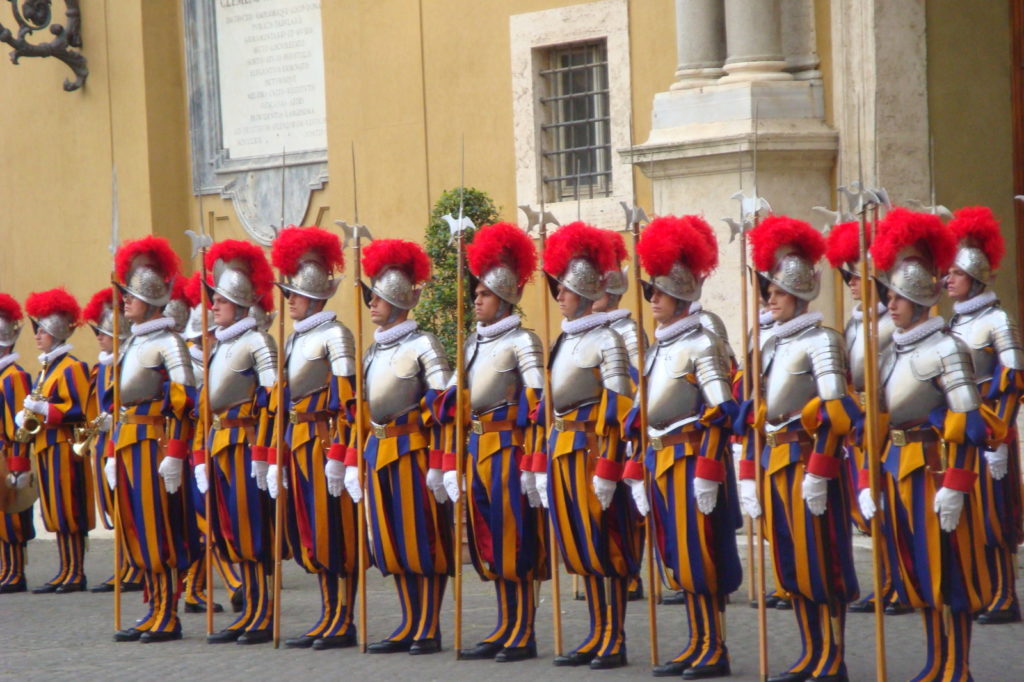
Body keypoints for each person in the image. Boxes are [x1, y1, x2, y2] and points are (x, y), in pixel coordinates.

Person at [866, 208, 998, 681]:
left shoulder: (947, 348)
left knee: (950, 573)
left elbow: (967, 421)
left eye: (898, 297)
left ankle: (956, 666)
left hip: (935, 468)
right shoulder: (888, 350)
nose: (891, 305)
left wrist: (958, 482)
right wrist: (868, 475)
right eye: (890, 296)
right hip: (896, 463)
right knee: (916, 571)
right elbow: (877, 418)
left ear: (919, 298)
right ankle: (933, 659)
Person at [742, 216, 860, 682]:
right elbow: (756, 408)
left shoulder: (823, 341)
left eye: (776, 290)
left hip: (810, 462)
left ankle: (833, 656)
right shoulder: (770, 341)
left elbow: (838, 411)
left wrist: (821, 467)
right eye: (768, 289)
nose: (768, 297)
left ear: (799, 293)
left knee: (823, 561)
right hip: (776, 459)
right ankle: (811, 651)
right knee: (791, 562)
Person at [630, 215, 741, 680]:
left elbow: (723, 410)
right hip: (660, 459)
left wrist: (710, 472)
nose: (651, 299)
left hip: (693, 461)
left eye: (657, 291)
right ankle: (696, 640)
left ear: (679, 293)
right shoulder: (657, 347)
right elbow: (644, 415)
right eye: (650, 291)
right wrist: (637, 467)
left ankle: (714, 646)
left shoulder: (701, 343)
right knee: (675, 555)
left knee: (701, 555)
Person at [437, 222, 547, 662]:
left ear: (502, 299)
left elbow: (539, 403)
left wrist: (534, 463)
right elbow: (451, 400)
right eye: (476, 293)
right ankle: (504, 623)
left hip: (510, 452)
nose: (476, 300)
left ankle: (524, 629)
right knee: (488, 540)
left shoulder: (524, 342)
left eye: (482, 294)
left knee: (515, 539)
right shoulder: (470, 345)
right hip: (476, 451)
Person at [535, 221, 638, 670]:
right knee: (579, 546)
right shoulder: (565, 338)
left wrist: (610, 467)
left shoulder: (609, 339)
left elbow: (618, 409)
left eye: (564, 289)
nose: (558, 295)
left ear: (581, 289)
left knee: (605, 543)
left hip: (593, 452)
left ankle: (614, 637)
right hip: (562, 449)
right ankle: (596, 631)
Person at [343, 238, 453, 655]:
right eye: (371, 297)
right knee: (390, 542)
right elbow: (362, 409)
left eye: (378, 297)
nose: (371, 303)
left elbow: (443, 407)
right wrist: (355, 457)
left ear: (398, 301)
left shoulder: (424, 345)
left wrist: (441, 462)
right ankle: (409, 621)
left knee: (422, 539)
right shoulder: (372, 350)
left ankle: (429, 625)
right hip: (378, 451)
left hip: (414, 452)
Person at [268, 225, 360, 650]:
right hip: (298, 439)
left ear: (316, 296)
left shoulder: (335, 335)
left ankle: (344, 617)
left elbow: (348, 401)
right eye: (286, 293)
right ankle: (327, 612)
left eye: (294, 293)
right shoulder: (292, 339)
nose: (288, 300)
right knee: (310, 531)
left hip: (325, 441)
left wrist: (342, 453)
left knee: (335, 531)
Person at [110, 236, 196, 642]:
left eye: (130, 296)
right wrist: (112, 451)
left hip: (154, 444)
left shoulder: (169, 343)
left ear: (151, 299)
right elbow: (117, 406)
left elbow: (183, 403)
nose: (124, 303)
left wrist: (176, 452)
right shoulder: (132, 342)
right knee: (136, 530)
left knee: (159, 528)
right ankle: (153, 605)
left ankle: (168, 612)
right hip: (128, 442)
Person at [194, 240, 278, 645]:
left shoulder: (258, 342)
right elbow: (204, 404)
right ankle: (250, 612)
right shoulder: (220, 344)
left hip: (246, 445)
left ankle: (263, 613)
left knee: (253, 532)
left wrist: (263, 452)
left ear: (241, 305)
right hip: (219, 445)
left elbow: (269, 401)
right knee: (230, 531)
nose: (213, 307)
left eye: (222, 302)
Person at [823, 221, 907, 616]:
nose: (851, 284)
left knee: (892, 506)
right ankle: (886, 580)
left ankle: (903, 582)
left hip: (888, 417)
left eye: (856, 276)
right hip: (861, 418)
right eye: (847, 276)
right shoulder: (857, 321)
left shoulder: (890, 325)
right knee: (871, 509)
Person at [945, 206, 1023, 625]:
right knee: (969, 516)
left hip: (993, 431)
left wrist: (1001, 439)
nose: (948, 280)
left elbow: (1013, 380)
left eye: (956, 273)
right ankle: (979, 590)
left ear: (974, 278)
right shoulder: (950, 324)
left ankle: (1005, 595)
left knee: (996, 518)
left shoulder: (997, 320)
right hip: (963, 430)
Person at [21, 288, 94, 594]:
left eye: (42, 330)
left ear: (56, 331)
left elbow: (79, 410)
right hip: (46, 447)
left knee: (69, 511)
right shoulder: (46, 368)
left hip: (64, 448)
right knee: (53, 511)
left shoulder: (72, 367)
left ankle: (76, 571)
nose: (37, 335)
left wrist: (44, 409)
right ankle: (64, 568)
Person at [81, 288, 143, 595]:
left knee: (127, 506)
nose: (100, 338)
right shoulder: (103, 365)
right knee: (112, 505)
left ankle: (135, 566)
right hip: (105, 440)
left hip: (123, 438)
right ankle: (125, 563)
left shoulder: (124, 362)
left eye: (104, 333)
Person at [0, 293, 34, 594]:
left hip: (8, 452)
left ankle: (16, 571)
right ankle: (5, 568)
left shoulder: (14, 377)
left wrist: (19, 462)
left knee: (12, 519)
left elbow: (21, 424)